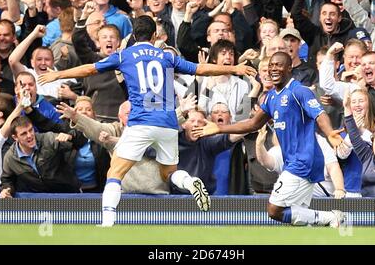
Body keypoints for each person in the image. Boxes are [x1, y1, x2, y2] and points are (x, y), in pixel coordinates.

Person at [38, 15, 256, 227]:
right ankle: (190, 182)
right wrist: (234, 68)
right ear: (154, 36)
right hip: (169, 123)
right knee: (169, 172)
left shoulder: (125, 55)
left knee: (115, 172)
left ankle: (107, 221)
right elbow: (200, 68)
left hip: (141, 122)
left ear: (133, 35)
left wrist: (58, 75)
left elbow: (90, 68)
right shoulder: (166, 56)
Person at [192, 51, 347, 227]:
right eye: (271, 66)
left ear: (289, 68)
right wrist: (219, 128)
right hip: (295, 161)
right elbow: (252, 124)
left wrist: (329, 133)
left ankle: (330, 217)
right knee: (296, 217)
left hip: (304, 160)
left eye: (278, 65)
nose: (274, 69)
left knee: (274, 210)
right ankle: (331, 222)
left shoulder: (300, 91)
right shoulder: (272, 97)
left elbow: (319, 115)